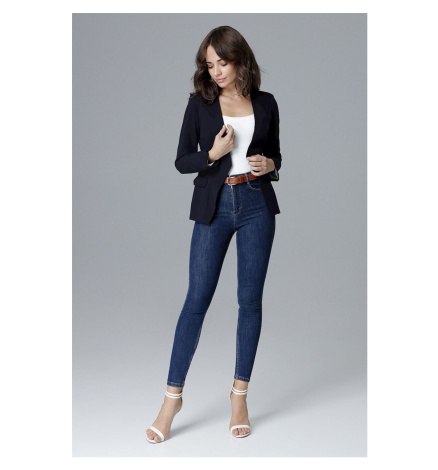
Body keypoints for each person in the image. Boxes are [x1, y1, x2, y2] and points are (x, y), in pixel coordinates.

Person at [146, 25, 282, 443]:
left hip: (257, 204)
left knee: (250, 302)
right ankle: (171, 400)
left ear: (240, 59)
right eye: (210, 65)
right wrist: (212, 154)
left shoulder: (266, 102)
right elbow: (181, 161)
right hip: (215, 205)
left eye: (223, 62)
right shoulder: (200, 105)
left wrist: (269, 164)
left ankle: (239, 397)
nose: (216, 71)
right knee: (196, 301)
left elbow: (276, 153)